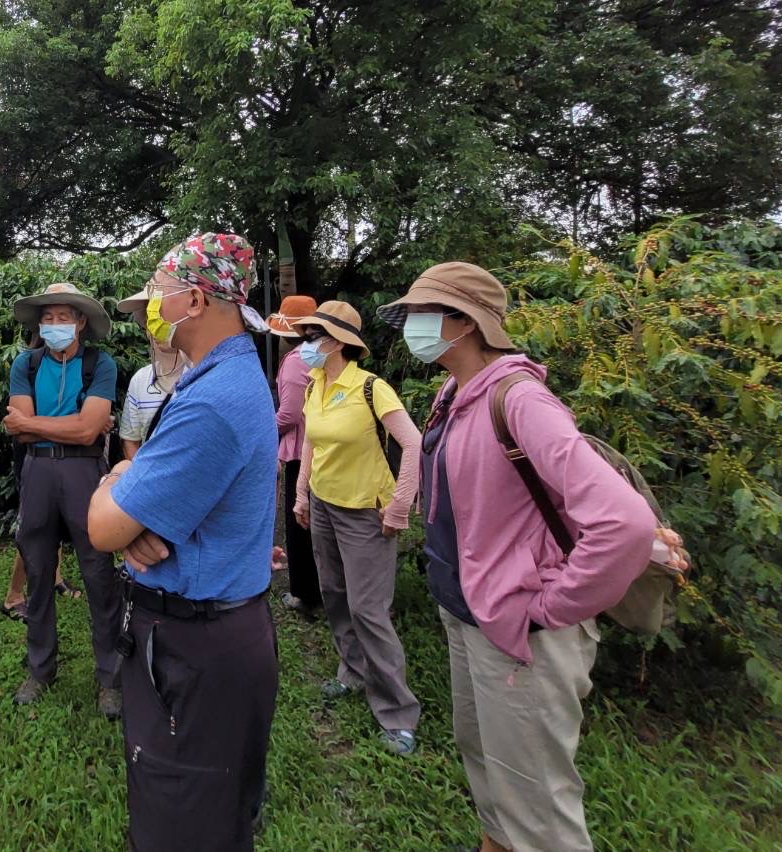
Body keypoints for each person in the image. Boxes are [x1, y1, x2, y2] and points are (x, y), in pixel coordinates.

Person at [378, 262, 656, 852]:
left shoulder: (521, 399)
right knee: (486, 760)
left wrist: (549, 605)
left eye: (421, 314)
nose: (410, 326)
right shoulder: (454, 394)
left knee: (538, 803)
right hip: (468, 613)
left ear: (467, 322)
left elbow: (625, 523)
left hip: (518, 631)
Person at [88, 233, 279, 852]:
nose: (151, 311)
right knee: (208, 813)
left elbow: (102, 528)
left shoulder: (212, 403)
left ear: (195, 300)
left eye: (158, 297)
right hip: (207, 632)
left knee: (183, 819)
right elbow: (135, 524)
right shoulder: (219, 379)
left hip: (195, 648)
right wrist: (136, 513)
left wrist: (119, 485)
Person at [290, 300, 422, 755]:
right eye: (306, 335)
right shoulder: (314, 385)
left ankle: (398, 713)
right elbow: (311, 442)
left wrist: (400, 505)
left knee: (369, 608)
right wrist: (302, 493)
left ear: (338, 342)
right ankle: (352, 672)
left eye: (314, 336)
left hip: (367, 510)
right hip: (325, 505)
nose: (306, 344)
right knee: (336, 595)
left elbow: (413, 443)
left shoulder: (370, 387)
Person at [3, 282, 123, 717]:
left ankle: (110, 676)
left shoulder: (99, 364)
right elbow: (24, 425)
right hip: (36, 472)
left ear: (81, 322)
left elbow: (87, 431)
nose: (55, 325)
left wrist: (36, 425)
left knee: (98, 571)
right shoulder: (26, 364)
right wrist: (76, 424)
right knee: (37, 568)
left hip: (83, 472)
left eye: (64, 317)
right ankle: (40, 669)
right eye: (48, 318)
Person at [268, 294, 321, 617]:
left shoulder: (295, 360)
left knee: (299, 522)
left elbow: (288, 414)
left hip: (302, 450)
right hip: (327, 449)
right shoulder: (325, 354)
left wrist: (264, 433)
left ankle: (304, 593)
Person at [115, 284, 188, 459]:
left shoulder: (205, 372)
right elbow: (130, 441)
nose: (156, 326)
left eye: (163, 316)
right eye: (151, 319)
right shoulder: (141, 379)